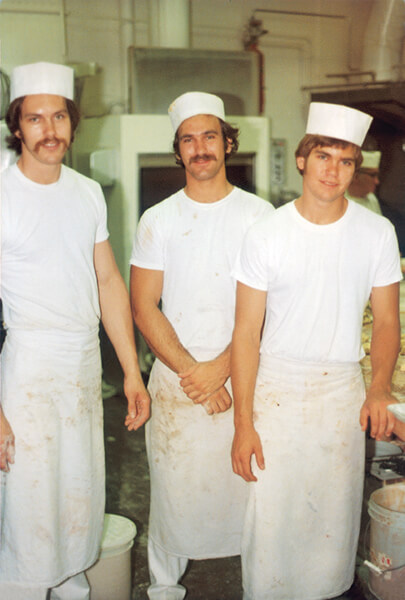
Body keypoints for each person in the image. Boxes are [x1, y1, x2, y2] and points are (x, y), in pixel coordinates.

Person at [230, 102, 402, 600]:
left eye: (346, 161)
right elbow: (245, 333)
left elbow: (388, 321)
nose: (334, 171)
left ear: (358, 168)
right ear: (303, 160)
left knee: (333, 518)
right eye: (323, 156)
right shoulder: (267, 233)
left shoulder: (376, 233)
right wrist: (244, 424)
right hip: (278, 392)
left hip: (341, 392)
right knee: (273, 521)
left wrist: (378, 388)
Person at [0, 61, 150, 600]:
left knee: (76, 499)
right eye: (35, 119)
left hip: (83, 366)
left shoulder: (87, 192)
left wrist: (132, 373)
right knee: (28, 505)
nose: (49, 131)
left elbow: (108, 281)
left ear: (72, 121)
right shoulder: (3, 194)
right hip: (30, 368)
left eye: (58, 116)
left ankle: (71, 588)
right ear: (17, 126)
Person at [130, 91, 273, 599]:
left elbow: (269, 309)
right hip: (178, 382)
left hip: (245, 377)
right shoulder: (158, 220)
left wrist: (223, 369)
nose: (200, 147)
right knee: (174, 501)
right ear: (178, 151)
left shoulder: (261, 217)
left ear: (228, 142)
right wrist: (196, 373)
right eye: (188, 139)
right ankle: (164, 590)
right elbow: (144, 306)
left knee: (250, 499)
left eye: (209, 135)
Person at [346, 149, 382, 214]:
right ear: (355, 176)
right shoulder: (338, 201)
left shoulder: (372, 199)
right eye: (373, 175)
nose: (377, 181)